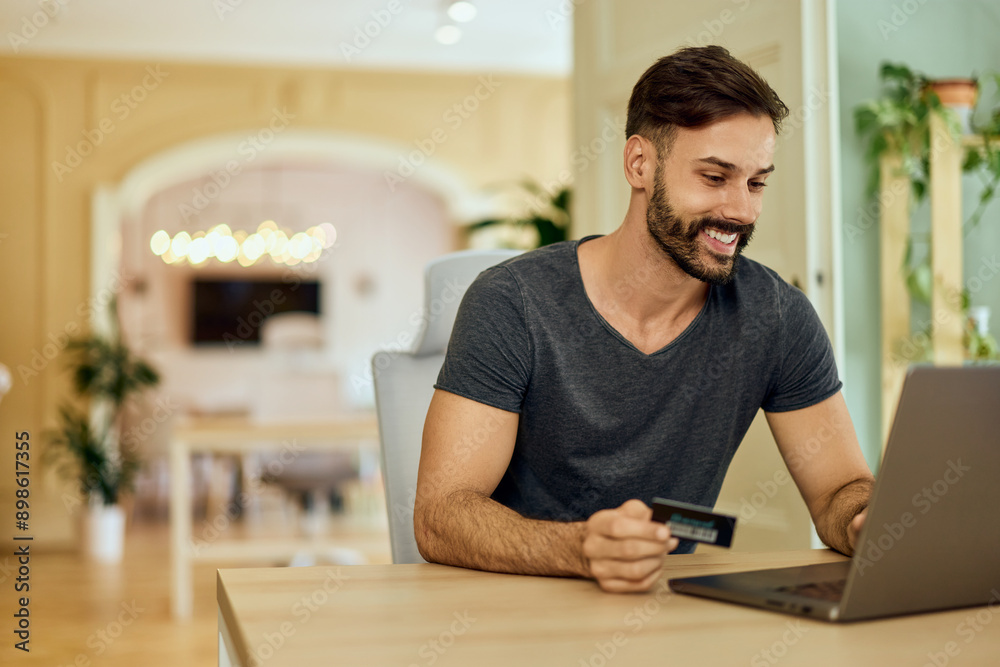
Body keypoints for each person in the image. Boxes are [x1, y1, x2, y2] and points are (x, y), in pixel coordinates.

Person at [413, 45, 874, 593]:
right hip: (514, 602)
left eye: (755, 183)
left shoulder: (776, 315)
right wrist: (581, 549)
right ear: (639, 164)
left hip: (665, 604)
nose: (742, 211)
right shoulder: (513, 302)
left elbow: (839, 488)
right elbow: (441, 514)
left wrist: (863, 519)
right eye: (714, 176)